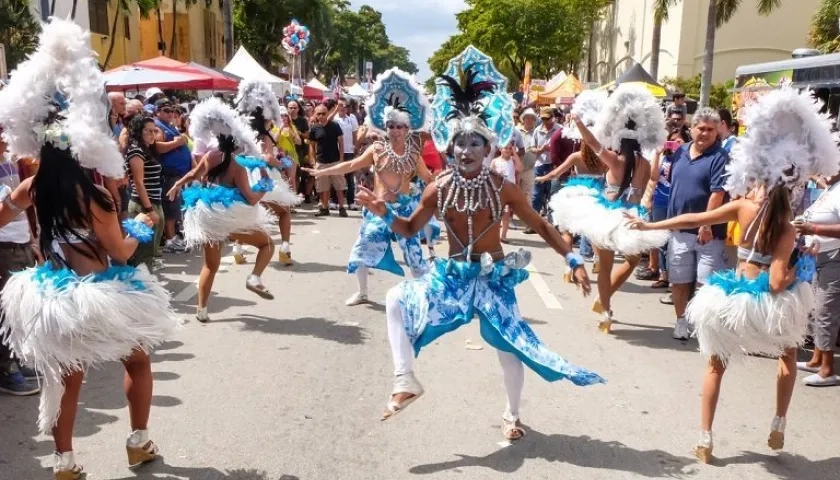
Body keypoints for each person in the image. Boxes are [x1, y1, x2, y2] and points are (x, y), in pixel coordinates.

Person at [355, 46, 604, 441]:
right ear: (450, 148)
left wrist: (572, 257)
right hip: (453, 278)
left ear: (489, 149)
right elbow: (407, 229)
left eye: (475, 144)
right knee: (396, 300)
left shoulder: (503, 188)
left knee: (511, 348)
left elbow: (539, 224)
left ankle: (512, 414)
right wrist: (381, 211)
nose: (465, 150)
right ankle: (405, 380)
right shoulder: (438, 189)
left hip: (492, 279)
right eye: (459, 143)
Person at [0, 19, 178, 479]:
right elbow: (119, 252)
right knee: (137, 359)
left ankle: (64, 463)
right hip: (97, 293)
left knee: (66, 378)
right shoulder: (95, 196)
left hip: (54, 294)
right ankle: (138, 442)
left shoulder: (32, 188)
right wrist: (142, 223)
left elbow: (3, 214)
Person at [626, 88, 838, 463]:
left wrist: (648, 225)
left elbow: (694, 220)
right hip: (771, 304)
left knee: (714, 363)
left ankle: (705, 438)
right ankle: (779, 421)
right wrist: (796, 271)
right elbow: (775, 282)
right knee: (788, 354)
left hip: (734, 297)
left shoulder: (742, 206)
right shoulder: (788, 225)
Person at [304, 68, 439, 306]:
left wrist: (447, 185)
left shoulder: (414, 153)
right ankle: (363, 292)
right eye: (391, 125)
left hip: (406, 211)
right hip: (378, 208)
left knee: (415, 257)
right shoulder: (376, 150)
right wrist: (321, 171)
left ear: (408, 129)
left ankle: (426, 297)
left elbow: (429, 180)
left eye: (399, 126)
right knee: (361, 251)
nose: (395, 130)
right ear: (384, 127)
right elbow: (351, 165)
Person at [549, 84, 668, 333]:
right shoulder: (644, 164)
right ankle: (603, 301)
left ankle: (606, 311)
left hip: (606, 217)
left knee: (604, 268)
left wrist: (579, 122)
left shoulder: (614, 160)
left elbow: (592, 144)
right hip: (630, 218)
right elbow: (653, 178)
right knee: (632, 261)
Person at [166, 97, 276, 323]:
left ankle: (202, 311)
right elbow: (252, 199)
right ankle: (254, 278)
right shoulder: (237, 167)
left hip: (206, 215)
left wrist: (177, 185)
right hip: (226, 219)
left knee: (210, 265)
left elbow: (194, 174)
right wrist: (265, 186)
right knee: (267, 244)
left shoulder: (211, 155)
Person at [234, 79, 299, 266]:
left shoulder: (242, 136)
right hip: (263, 177)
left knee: (247, 213)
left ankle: (238, 249)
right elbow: (267, 157)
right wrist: (281, 162)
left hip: (245, 175)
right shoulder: (264, 136)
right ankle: (285, 249)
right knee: (284, 212)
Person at [794, 173, 840, 386]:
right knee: (815, 309)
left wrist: (813, 229)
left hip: (835, 257)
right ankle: (816, 360)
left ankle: (827, 370)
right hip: (820, 255)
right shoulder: (830, 188)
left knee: (825, 312)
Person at [635, 128, 691, 289]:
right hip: (659, 201)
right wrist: (658, 154)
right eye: (672, 141)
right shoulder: (665, 157)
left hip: (675, 203)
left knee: (674, 241)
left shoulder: (686, 159)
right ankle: (664, 274)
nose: (675, 144)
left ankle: (675, 278)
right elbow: (653, 177)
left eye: (679, 141)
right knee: (661, 240)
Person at [125, 116, 164, 271]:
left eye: (154, 130)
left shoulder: (146, 150)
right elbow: (138, 182)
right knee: (142, 253)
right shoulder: (136, 151)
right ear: (138, 132)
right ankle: (141, 287)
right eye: (147, 130)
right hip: (143, 205)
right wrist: (149, 210)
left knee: (150, 251)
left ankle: (146, 283)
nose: (151, 134)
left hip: (153, 201)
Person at [309, 104, 348, 217]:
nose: (321, 116)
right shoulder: (314, 128)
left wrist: (341, 159)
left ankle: (341, 208)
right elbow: (311, 145)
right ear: (315, 115)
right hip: (321, 162)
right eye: (319, 114)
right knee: (323, 187)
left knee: (340, 186)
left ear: (327, 113)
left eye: (323, 113)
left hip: (335, 161)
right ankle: (325, 208)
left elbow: (341, 142)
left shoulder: (335, 125)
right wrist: (312, 159)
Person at [490, 141, 523, 242]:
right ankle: (493, 234)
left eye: (510, 148)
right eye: (506, 148)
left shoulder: (513, 160)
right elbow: (490, 175)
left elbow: (520, 169)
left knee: (506, 214)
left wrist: (515, 153)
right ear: (500, 149)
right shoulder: (495, 161)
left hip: (509, 190)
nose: (508, 150)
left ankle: (503, 235)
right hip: (498, 190)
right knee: (496, 214)